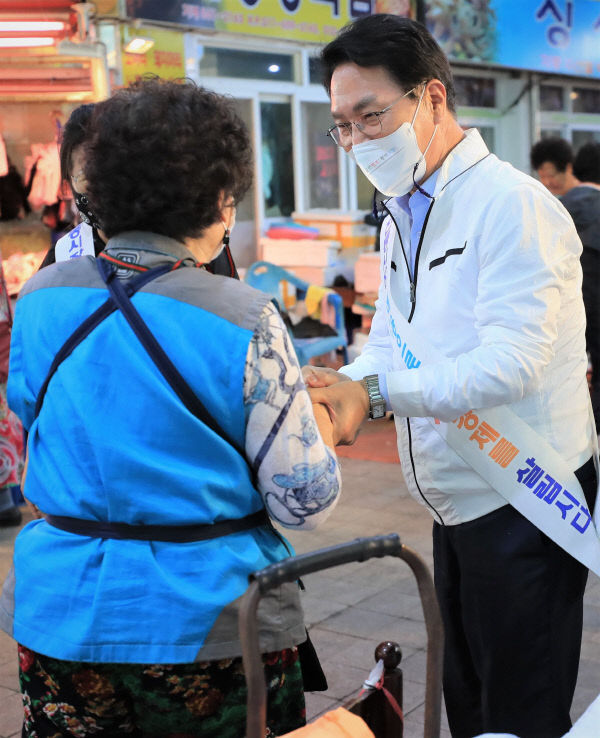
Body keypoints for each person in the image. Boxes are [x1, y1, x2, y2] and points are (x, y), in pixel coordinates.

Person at [0, 78, 341, 737]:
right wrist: (323, 423)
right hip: (211, 628)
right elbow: (304, 502)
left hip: (61, 615)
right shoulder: (245, 316)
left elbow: (35, 422)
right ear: (219, 198)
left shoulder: (39, 297)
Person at [306, 14, 597, 738]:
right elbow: (392, 341)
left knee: (521, 707)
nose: (357, 142)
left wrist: (373, 394)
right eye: (342, 126)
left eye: (371, 116)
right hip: (452, 499)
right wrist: (345, 386)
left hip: (524, 495)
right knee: (467, 697)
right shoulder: (400, 213)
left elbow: (511, 363)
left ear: (432, 98)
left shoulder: (514, 207)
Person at [39, 102, 240, 279]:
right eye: (86, 177)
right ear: (70, 183)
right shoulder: (65, 255)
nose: (101, 185)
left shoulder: (192, 239)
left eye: (109, 172)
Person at [532, 138, 600, 431]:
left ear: (570, 168)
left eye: (551, 175)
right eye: (542, 176)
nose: (547, 182)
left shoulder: (552, 209)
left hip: (559, 310)